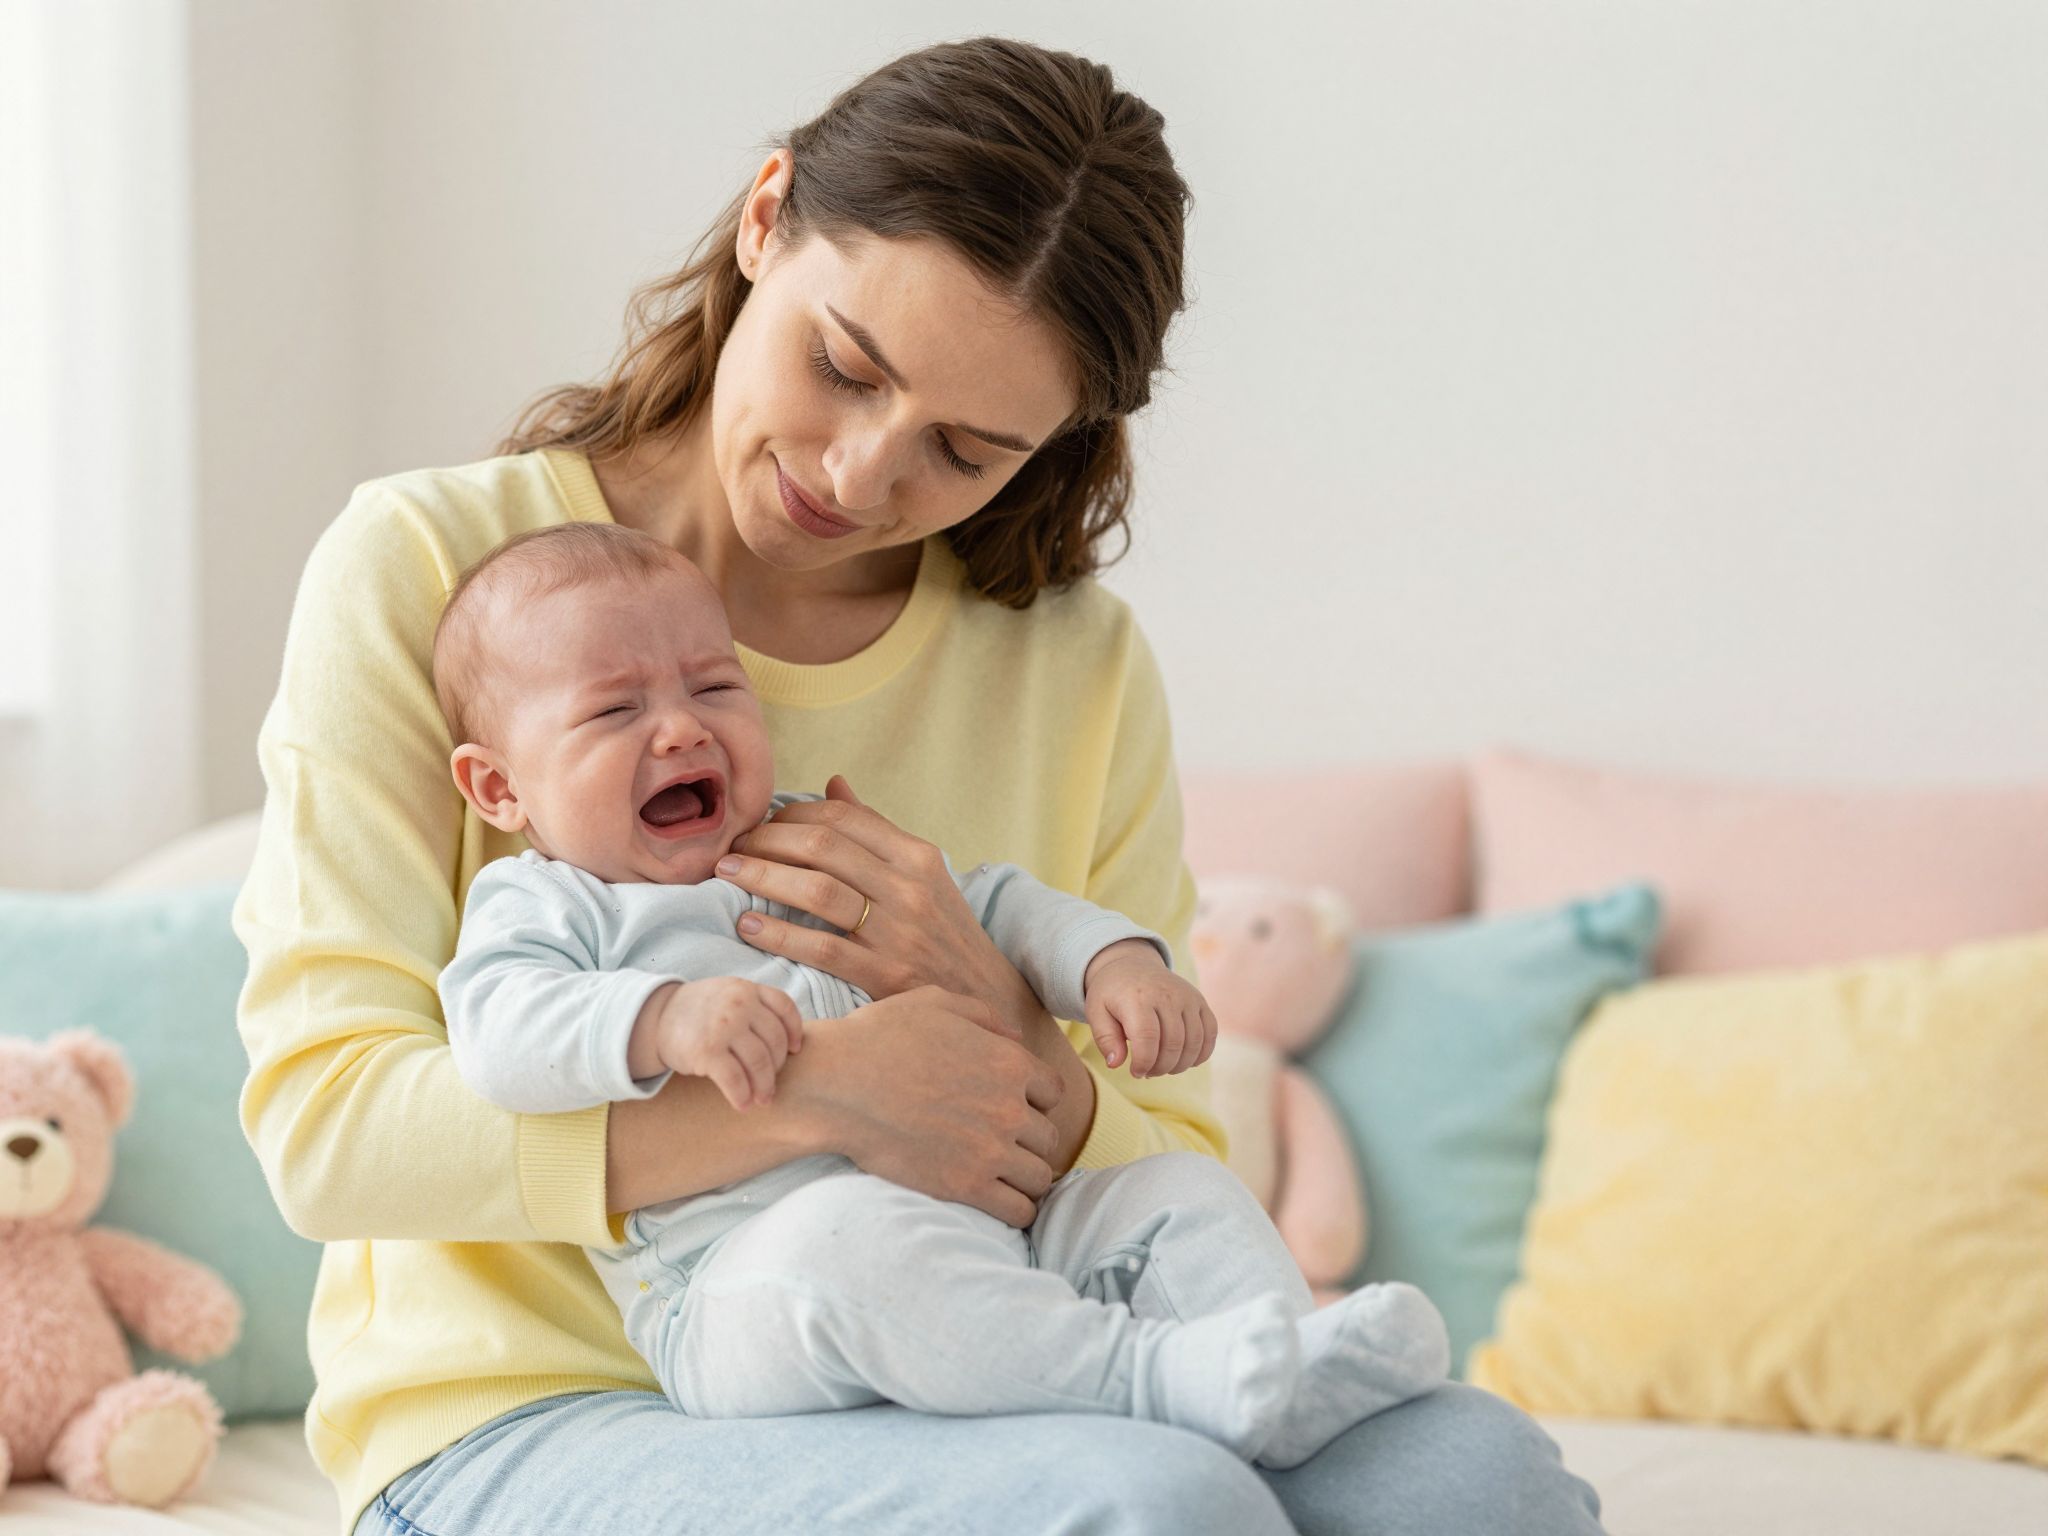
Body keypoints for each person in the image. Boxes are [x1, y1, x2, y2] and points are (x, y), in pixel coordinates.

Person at [234, 35, 1607, 1536]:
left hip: (1008, 1343)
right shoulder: (438, 573)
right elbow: (332, 1128)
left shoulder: (1073, 666)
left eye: (964, 449)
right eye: (843, 366)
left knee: (1484, 1479)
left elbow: (1172, 1138)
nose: (863, 473)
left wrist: (1004, 1025)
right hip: (533, 1415)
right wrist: (820, 1102)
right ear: (767, 219)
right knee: (1157, 1504)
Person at [430, 521, 1452, 1463]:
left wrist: (1113, 965)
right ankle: (1150, 1377)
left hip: (999, 1238)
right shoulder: (548, 904)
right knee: (851, 1241)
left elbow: (992, 905)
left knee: (1174, 1196)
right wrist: (659, 1019)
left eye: (714, 688)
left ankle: (1280, 1363)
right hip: (743, 1290)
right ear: (499, 789)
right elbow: (495, 1032)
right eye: (615, 710)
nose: (682, 733)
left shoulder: (807, 836)